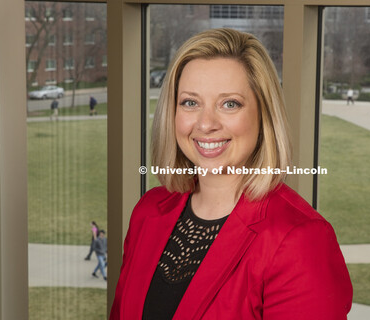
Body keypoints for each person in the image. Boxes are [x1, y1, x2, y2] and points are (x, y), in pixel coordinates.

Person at [111, 28, 352, 319]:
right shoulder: (148, 211)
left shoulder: (301, 239)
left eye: (229, 104)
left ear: (263, 115)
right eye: (190, 102)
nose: (206, 124)